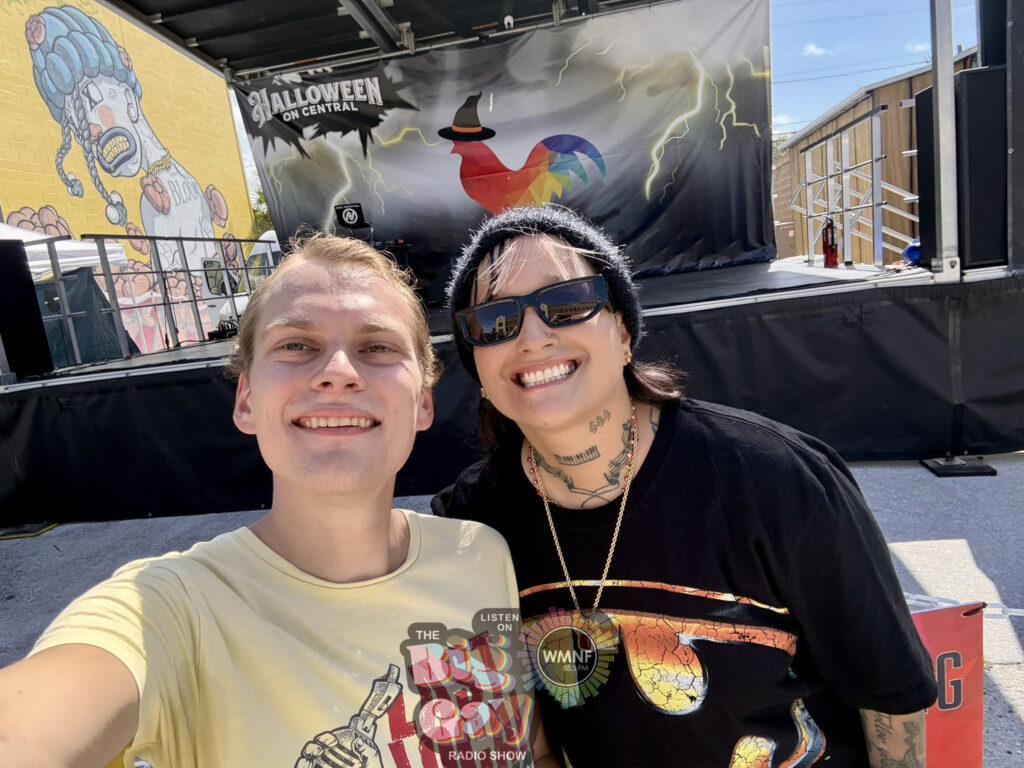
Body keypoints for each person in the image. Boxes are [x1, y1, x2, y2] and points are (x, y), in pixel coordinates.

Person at [0, 235, 552, 768]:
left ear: (423, 403)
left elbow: (534, 751)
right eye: (297, 345)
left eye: (377, 347)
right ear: (245, 400)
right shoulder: (169, 610)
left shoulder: (482, 555)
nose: (338, 373)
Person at [434, 205, 937, 768]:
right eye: (494, 320)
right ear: (478, 366)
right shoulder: (470, 522)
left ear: (623, 331)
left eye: (567, 302)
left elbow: (889, 696)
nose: (532, 336)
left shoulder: (776, 477)